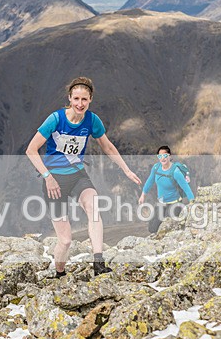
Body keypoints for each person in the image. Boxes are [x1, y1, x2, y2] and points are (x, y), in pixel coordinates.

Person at [26, 76, 142, 278]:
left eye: (84, 99)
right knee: (65, 241)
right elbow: (31, 150)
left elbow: (108, 147)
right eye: (76, 99)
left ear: (90, 100)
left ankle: (98, 262)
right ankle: (59, 273)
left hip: (77, 174)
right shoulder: (56, 119)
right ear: (69, 98)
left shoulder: (92, 120)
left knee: (93, 206)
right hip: (54, 179)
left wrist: (126, 169)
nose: (80, 104)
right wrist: (47, 177)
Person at [138, 146, 195, 234]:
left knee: (168, 228)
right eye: (160, 156)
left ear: (169, 156)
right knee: (152, 228)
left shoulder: (175, 172)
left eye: (165, 155)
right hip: (161, 202)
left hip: (175, 203)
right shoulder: (156, 168)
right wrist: (142, 196)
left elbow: (186, 188)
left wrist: (192, 203)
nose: (162, 158)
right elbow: (150, 181)